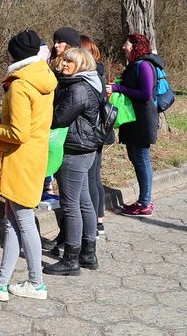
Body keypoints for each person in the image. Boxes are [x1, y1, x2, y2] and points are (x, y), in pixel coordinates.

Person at [0, 30, 57, 302]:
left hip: (18, 160)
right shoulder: (44, 79)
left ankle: (36, 283)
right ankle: (0, 283)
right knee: (12, 222)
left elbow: (18, 133)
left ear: (15, 55)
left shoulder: (21, 85)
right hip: (33, 158)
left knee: (23, 222)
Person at [43, 48, 102, 276]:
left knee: (70, 205)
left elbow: (59, 118)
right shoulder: (87, 83)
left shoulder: (78, 89)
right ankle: (88, 253)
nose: (64, 64)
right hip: (86, 149)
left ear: (82, 65)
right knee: (84, 201)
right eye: (65, 60)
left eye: (70, 61)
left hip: (75, 150)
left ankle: (71, 259)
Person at [107, 33, 163, 217]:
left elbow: (145, 94)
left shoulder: (144, 65)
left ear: (135, 46)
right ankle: (143, 201)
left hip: (142, 121)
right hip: (134, 120)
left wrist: (118, 88)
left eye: (127, 44)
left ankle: (145, 203)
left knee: (141, 159)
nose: (124, 47)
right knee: (137, 159)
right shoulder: (135, 65)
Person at [81, 34, 108, 236]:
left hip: (92, 132)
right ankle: (99, 219)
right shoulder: (98, 73)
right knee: (95, 176)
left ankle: (94, 226)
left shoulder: (91, 76)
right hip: (99, 131)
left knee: (91, 177)